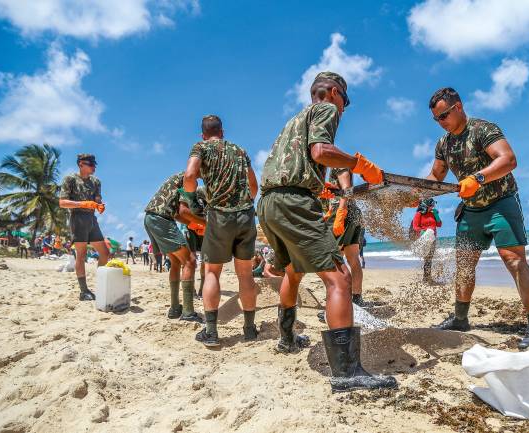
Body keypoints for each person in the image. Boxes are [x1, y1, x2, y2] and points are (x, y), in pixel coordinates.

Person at [257, 71, 396, 392]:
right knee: (340, 279)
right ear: (333, 92)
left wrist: (322, 187)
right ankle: (347, 374)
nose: (344, 108)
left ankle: (287, 338)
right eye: (345, 100)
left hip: (268, 203)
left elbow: (296, 165)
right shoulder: (326, 109)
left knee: (292, 271)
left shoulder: (294, 121)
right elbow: (321, 152)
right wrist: (361, 165)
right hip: (293, 202)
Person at [425, 87, 529, 350]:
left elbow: (508, 159)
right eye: (437, 119)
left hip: (501, 203)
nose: (441, 122)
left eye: (444, 115)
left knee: (513, 260)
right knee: (465, 266)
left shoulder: (482, 129)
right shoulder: (443, 143)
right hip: (471, 210)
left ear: (458, 107)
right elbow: (435, 177)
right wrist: (413, 192)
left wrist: (477, 178)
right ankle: (460, 319)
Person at [183, 115, 259, 347]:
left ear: (203, 134)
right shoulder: (239, 150)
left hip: (219, 216)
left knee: (213, 273)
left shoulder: (201, 147)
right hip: (246, 214)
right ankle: (249, 329)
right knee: (245, 274)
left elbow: (189, 176)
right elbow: (254, 185)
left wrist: (190, 192)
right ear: (222, 132)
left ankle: (212, 332)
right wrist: (246, 202)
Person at [144, 171, 205, 322]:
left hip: (151, 218)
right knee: (190, 261)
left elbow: (177, 214)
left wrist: (193, 225)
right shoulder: (189, 179)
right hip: (162, 220)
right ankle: (188, 312)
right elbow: (184, 211)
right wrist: (206, 224)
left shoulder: (179, 176)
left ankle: (175, 308)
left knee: (176, 263)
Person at [59, 153, 109, 301]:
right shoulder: (70, 179)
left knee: (105, 253)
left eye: (95, 165)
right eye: (91, 164)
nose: (94, 167)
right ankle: (84, 291)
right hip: (78, 218)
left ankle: (101, 285)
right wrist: (82, 204)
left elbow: (98, 200)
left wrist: (100, 206)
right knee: (81, 255)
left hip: (92, 219)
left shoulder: (96, 182)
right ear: (81, 164)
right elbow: (62, 202)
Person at [326, 168, 368, 307]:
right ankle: (356, 299)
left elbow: (346, 188)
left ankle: (338, 301)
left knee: (332, 259)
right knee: (353, 259)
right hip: (354, 213)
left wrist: (341, 212)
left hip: (344, 211)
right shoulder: (338, 165)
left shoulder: (337, 164)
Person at [410, 198, 442, 284]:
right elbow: (415, 227)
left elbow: (439, 224)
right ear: (425, 206)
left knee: (429, 258)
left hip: (432, 239)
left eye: (433, 206)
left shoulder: (432, 214)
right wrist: (425, 231)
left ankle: (427, 277)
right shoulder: (419, 214)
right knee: (427, 258)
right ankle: (426, 278)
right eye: (431, 206)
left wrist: (436, 215)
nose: (432, 207)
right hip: (424, 238)